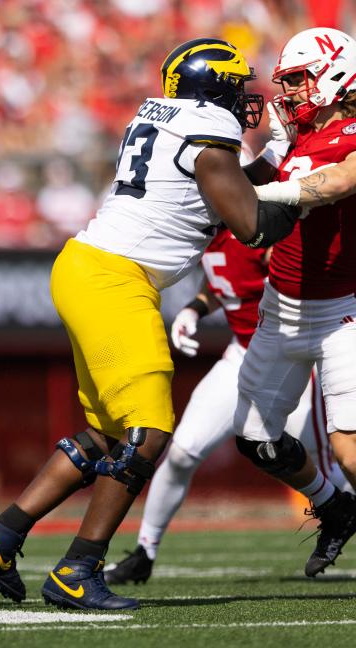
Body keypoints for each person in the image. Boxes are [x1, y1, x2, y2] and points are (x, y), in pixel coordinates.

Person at [0, 37, 303, 611]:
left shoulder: (171, 119)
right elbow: (251, 225)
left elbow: (228, 181)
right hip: (114, 280)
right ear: (212, 88)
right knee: (148, 433)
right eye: (236, 85)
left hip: (91, 269)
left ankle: (2, 533)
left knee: (107, 435)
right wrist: (304, 189)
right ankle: (77, 569)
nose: (247, 97)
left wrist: (274, 159)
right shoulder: (208, 134)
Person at [105, 227, 352, 585]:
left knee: (330, 463)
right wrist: (195, 308)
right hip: (240, 353)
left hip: (287, 357)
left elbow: (292, 272)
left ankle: (341, 514)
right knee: (182, 452)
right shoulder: (208, 230)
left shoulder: (256, 227)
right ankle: (145, 551)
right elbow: (228, 281)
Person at [232, 27, 356, 578]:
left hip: (342, 310)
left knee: (349, 447)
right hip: (281, 307)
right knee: (256, 439)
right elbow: (237, 185)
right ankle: (334, 507)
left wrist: (263, 194)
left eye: (299, 80)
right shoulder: (295, 134)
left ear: (335, 73)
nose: (290, 93)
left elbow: (335, 182)